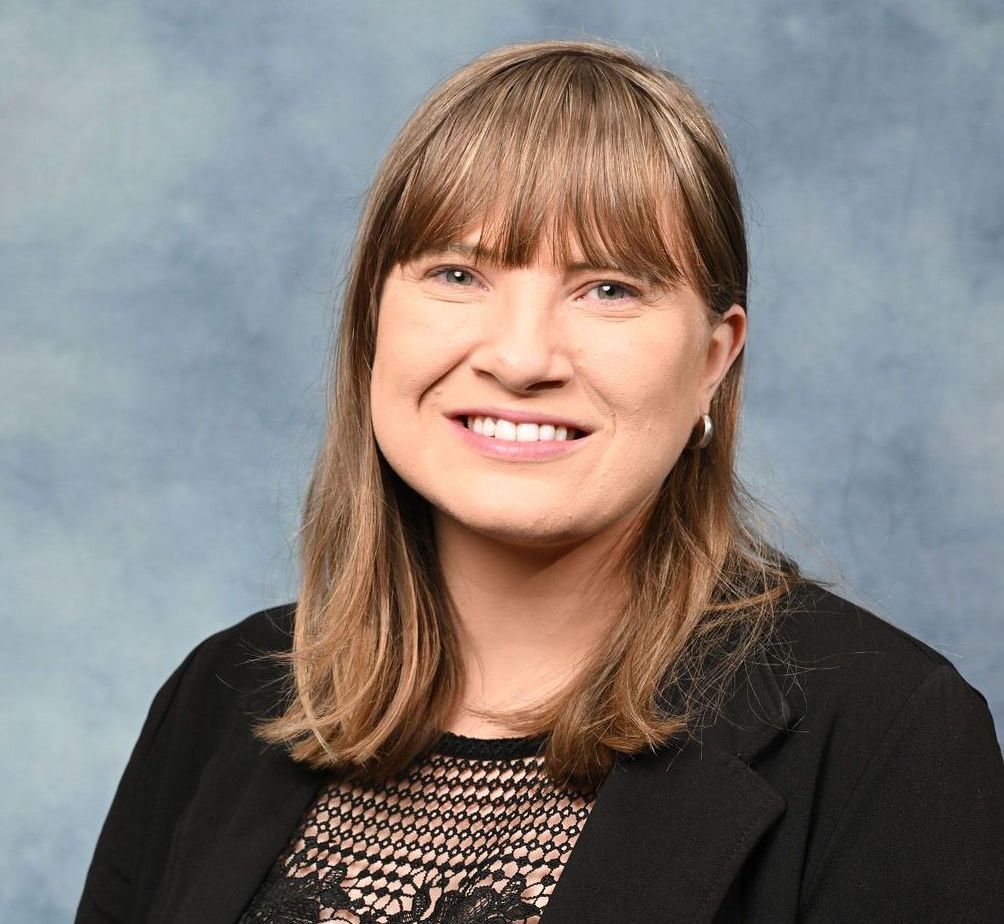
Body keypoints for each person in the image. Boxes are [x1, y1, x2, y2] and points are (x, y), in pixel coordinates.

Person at [75, 39, 1003, 924]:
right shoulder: (220, 696)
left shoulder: (892, 736)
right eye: (457, 273)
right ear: (372, 327)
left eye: (609, 288)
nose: (520, 359)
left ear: (714, 360)